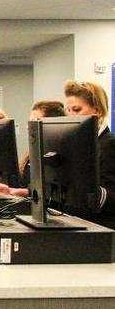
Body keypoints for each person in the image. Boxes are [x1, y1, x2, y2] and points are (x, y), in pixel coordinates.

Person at [63, 80, 115, 226]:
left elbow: (110, 196)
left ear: (97, 111)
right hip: (74, 222)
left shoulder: (109, 144)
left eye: (77, 109)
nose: (71, 115)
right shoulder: (74, 144)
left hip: (100, 228)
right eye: (68, 110)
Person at [0, 100, 65, 197]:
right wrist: (11, 190)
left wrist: (21, 192)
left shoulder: (58, 154)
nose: (29, 127)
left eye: (34, 122)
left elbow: (53, 190)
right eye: (29, 122)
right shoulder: (32, 153)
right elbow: (28, 186)